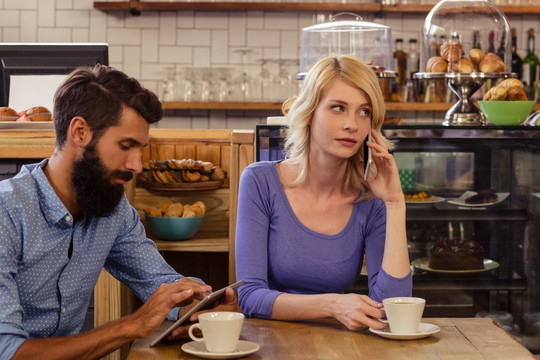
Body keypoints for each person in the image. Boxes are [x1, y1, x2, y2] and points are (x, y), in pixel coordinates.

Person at [0, 64, 238, 360]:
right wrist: (133, 325)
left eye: (140, 149)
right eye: (126, 146)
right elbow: (8, 352)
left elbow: (160, 282)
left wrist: (202, 306)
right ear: (79, 131)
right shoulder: (6, 212)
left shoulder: (112, 210)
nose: (137, 165)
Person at [235, 55, 412, 331]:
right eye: (338, 108)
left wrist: (395, 203)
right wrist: (332, 305)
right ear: (309, 113)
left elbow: (392, 308)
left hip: (337, 346)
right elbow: (249, 296)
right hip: (267, 342)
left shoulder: (371, 200)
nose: (352, 124)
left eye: (364, 112)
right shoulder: (260, 181)